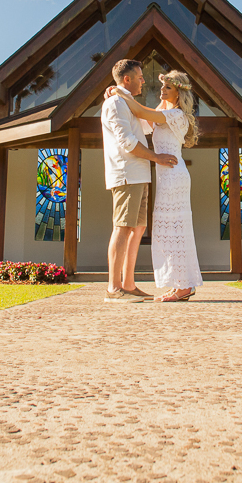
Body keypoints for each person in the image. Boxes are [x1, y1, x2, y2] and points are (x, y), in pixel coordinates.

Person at [107, 70, 203, 302]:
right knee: (165, 231)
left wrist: (118, 90)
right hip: (165, 176)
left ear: (179, 93)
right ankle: (178, 283)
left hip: (174, 175)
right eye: (162, 87)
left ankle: (185, 286)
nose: (161, 90)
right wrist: (119, 95)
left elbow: (139, 110)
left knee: (175, 229)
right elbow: (143, 120)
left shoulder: (177, 114)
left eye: (167, 88)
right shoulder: (164, 112)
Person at [101, 59, 178, 303]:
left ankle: (128, 284)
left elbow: (148, 121)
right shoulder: (115, 104)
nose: (144, 81)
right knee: (122, 227)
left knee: (139, 228)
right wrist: (156, 157)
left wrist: (168, 94)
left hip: (140, 175)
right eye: (140, 77)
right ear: (127, 79)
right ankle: (114, 289)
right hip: (126, 174)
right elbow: (126, 142)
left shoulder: (127, 103)